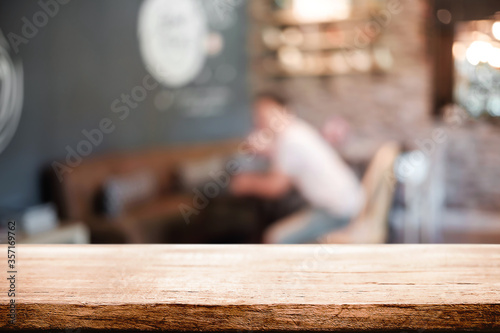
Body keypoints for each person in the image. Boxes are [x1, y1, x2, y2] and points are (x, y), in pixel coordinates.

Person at [230, 92, 364, 244]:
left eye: (266, 113)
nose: (262, 120)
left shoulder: (289, 140)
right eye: (258, 115)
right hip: (343, 205)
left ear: (285, 111)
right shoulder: (297, 132)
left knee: (275, 238)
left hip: (339, 213)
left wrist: (246, 183)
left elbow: (276, 187)